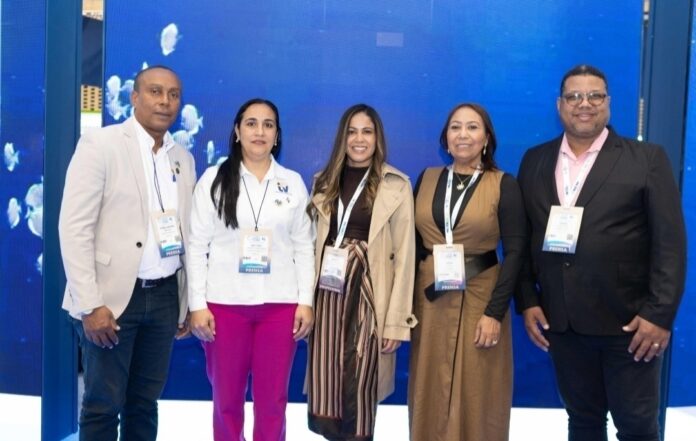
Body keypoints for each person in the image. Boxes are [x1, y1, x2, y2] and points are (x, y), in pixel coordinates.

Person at [516, 64, 687, 441]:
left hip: (630, 325)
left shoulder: (646, 159)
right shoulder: (535, 160)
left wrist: (658, 315)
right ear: (560, 105)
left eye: (595, 96)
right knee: (583, 422)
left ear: (608, 103)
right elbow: (524, 239)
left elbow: (670, 245)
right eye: (574, 96)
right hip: (563, 322)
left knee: (637, 427)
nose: (585, 104)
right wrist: (528, 299)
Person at [59, 65, 196, 441]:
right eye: (155, 92)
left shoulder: (183, 158)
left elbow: (187, 233)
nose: (165, 101)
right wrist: (90, 304)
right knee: (102, 405)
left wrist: (186, 302)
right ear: (135, 97)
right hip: (111, 298)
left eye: (173, 94)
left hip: (164, 296)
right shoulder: (101, 145)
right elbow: (74, 228)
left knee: (144, 403)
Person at [187, 98, 314, 441]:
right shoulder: (214, 180)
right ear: (237, 131)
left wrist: (306, 301)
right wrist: (197, 305)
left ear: (277, 135)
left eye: (268, 125)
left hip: (281, 306)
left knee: (272, 401)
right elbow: (196, 245)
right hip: (224, 305)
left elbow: (304, 246)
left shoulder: (292, 182)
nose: (260, 131)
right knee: (226, 400)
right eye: (252, 123)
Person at [408, 103, 526, 441]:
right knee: (428, 388)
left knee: (478, 391)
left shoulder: (503, 184)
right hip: (430, 302)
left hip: (481, 301)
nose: (463, 134)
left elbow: (515, 253)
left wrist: (494, 313)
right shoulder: (427, 178)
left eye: (472, 127)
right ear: (445, 137)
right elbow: (412, 246)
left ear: (486, 138)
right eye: (455, 127)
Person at [306, 103, 417, 441]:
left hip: (371, 296)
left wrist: (396, 322)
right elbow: (308, 247)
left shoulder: (396, 184)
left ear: (377, 138)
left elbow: (406, 258)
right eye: (352, 132)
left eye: (367, 132)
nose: (359, 139)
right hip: (327, 295)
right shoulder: (323, 182)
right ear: (342, 137)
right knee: (328, 379)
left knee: (360, 380)